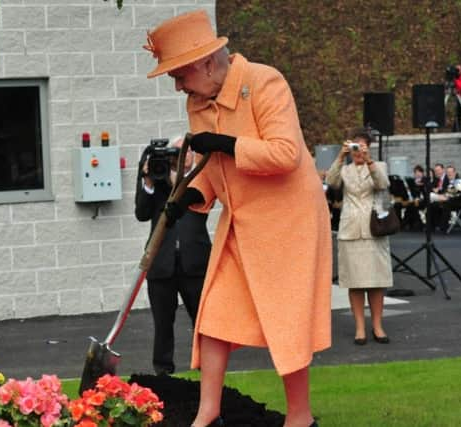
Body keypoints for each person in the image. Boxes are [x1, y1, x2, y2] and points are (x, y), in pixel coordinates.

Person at [144, 10, 331, 427]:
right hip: (241, 222)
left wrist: (227, 142)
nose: (177, 86)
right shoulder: (198, 101)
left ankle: (300, 418)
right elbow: (214, 167)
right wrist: (192, 196)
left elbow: (286, 154)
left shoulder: (265, 82)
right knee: (212, 318)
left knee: (286, 323)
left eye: (179, 74)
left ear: (207, 63)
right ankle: (208, 414)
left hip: (288, 223)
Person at [135, 137, 211, 376]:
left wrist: (174, 177)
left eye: (185, 152)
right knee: (162, 324)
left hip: (194, 263)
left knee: (202, 322)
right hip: (162, 264)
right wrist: (147, 179)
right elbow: (142, 213)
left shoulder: (202, 178)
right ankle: (163, 373)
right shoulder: (156, 181)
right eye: (176, 152)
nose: (181, 157)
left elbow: (196, 198)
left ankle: (208, 369)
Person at [326, 130, 393, 346]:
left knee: (376, 282)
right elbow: (331, 181)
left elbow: (382, 184)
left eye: (361, 147)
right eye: (354, 147)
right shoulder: (344, 169)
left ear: (369, 147)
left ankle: (378, 326)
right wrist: (340, 156)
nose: (357, 151)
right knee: (355, 283)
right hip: (350, 229)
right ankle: (360, 328)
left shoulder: (378, 166)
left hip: (374, 229)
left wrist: (369, 161)